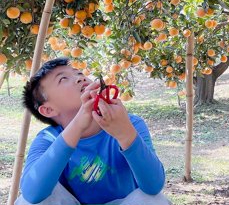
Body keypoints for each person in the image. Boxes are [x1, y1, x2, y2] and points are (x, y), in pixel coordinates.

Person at [16, 57, 171, 205]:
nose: (80, 78)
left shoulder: (131, 124)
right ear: (48, 109)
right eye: (63, 79)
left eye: (79, 73)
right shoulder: (48, 139)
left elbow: (153, 187)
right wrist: (77, 125)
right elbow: (31, 194)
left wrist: (125, 133)